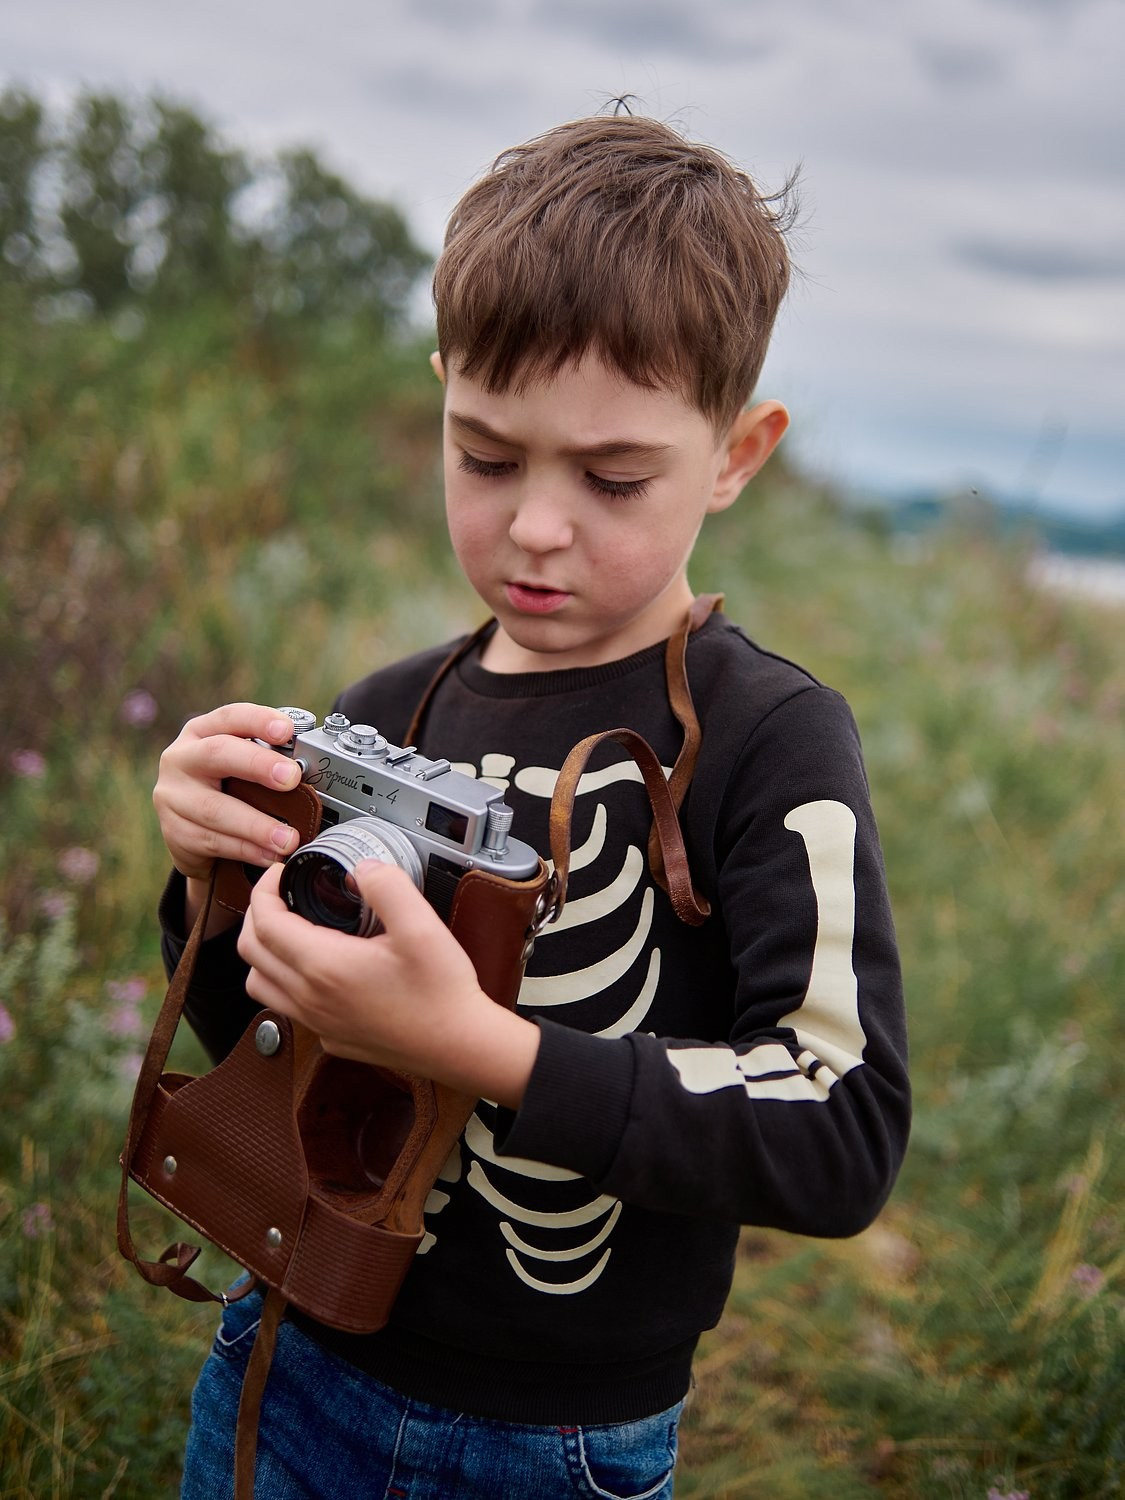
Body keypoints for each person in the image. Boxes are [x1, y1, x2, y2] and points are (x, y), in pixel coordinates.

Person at [153, 112, 909, 1499]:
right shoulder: (389, 710)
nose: (536, 527)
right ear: (442, 393)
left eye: (612, 477)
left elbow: (842, 1126)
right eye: (485, 456)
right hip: (287, 1359)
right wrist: (211, 882)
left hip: (554, 1447)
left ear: (737, 454)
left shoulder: (767, 739)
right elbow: (258, 1036)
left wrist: (484, 1048)